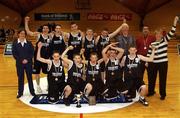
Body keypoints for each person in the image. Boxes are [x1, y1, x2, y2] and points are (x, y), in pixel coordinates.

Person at [147, 16, 179, 100]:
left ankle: (163, 94)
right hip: (153, 63)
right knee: (151, 78)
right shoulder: (152, 43)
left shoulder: (165, 40)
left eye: (159, 34)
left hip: (163, 63)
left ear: (162, 35)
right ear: (155, 35)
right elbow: (149, 53)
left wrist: (174, 23)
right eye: (156, 34)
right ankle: (151, 91)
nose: (158, 35)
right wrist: (147, 61)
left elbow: (172, 32)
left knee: (162, 79)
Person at [25, 16, 52, 93]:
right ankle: (38, 86)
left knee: (48, 73)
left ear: (48, 29)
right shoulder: (38, 35)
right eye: (44, 28)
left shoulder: (51, 36)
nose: (45, 29)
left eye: (47, 28)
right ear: (42, 29)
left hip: (47, 58)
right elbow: (28, 32)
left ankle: (48, 85)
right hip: (38, 58)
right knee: (37, 73)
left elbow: (60, 33)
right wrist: (26, 22)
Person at [12, 29, 35, 98]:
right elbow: (14, 54)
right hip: (20, 64)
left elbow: (32, 53)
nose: (23, 35)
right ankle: (20, 92)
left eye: (24, 33)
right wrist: (22, 60)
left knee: (29, 78)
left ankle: (32, 92)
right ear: (18, 34)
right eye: (21, 33)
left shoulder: (29, 43)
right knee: (20, 78)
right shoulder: (15, 43)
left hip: (28, 63)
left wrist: (27, 60)